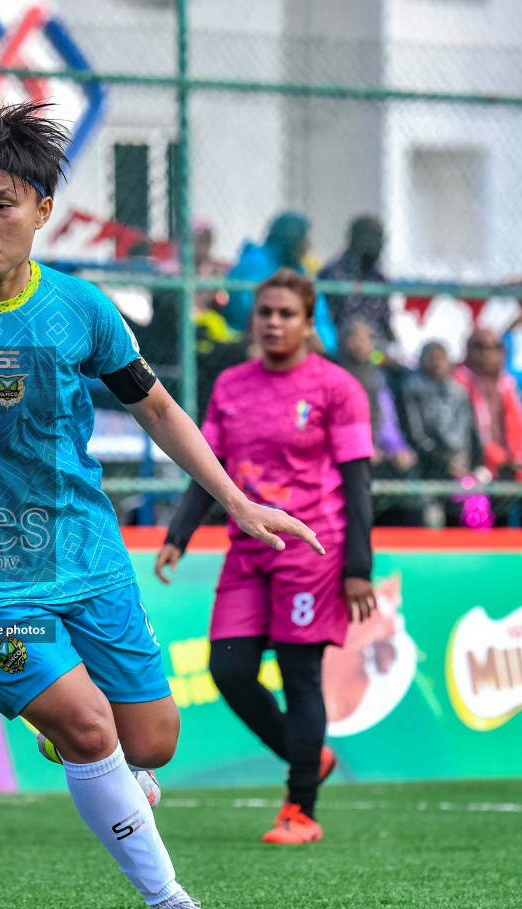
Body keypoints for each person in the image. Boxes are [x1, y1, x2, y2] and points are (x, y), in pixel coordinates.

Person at [0, 102, 320, 909]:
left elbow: (159, 410)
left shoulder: (82, 309)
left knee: (154, 740)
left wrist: (237, 501)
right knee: (87, 725)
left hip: (85, 551)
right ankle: (172, 905)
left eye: (3, 205)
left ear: (43, 210)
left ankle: (91, 755)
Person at [158, 270, 375, 846]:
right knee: (228, 670)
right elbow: (211, 469)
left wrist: (358, 568)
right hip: (247, 552)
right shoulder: (230, 385)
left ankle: (300, 810)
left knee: (301, 676)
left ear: (308, 323)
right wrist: (178, 535)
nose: (274, 323)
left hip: (311, 551)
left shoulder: (338, 388)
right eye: (266, 313)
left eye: (287, 314)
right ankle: (307, 756)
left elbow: (358, 484)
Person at [222, 210, 337, 352]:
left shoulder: (298, 268)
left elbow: (319, 315)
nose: (308, 246)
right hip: (249, 343)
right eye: (303, 239)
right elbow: (246, 310)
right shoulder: (256, 264)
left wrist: (326, 346)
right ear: (292, 238)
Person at [334, 320, 415, 474]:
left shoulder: (378, 376)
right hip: (347, 447)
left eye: (366, 338)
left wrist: (397, 448)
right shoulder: (335, 374)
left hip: (378, 446)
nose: (360, 343)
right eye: (354, 337)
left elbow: (387, 419)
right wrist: (364, 445)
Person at [454, 328, 522, 479]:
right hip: (470, 460)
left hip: (505, 463)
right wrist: (497, 456)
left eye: (494, 348)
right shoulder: (458, 381)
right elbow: (468, 428)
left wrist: (516, 455)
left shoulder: (506, 383)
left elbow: (517, 424)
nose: (487, 354)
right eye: (480, 347)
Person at [401, 341, 477, 481]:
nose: (437, 363)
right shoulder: (412, 388)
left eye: (440, 357)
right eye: (432, 357)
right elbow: (417, 434)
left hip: (461, 461)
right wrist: (443, 461)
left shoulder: (459, 391)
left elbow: (467, 430)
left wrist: (465, 458)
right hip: (428, 463)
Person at [319, 215, 394, 348]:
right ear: (358, 240)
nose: (380, 245)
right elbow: (323, 322)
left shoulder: (378, 277)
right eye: (376, 239)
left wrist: (396, 350)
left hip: (377, 353)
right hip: (343, 351)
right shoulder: (332, 274)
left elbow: (386, 323)